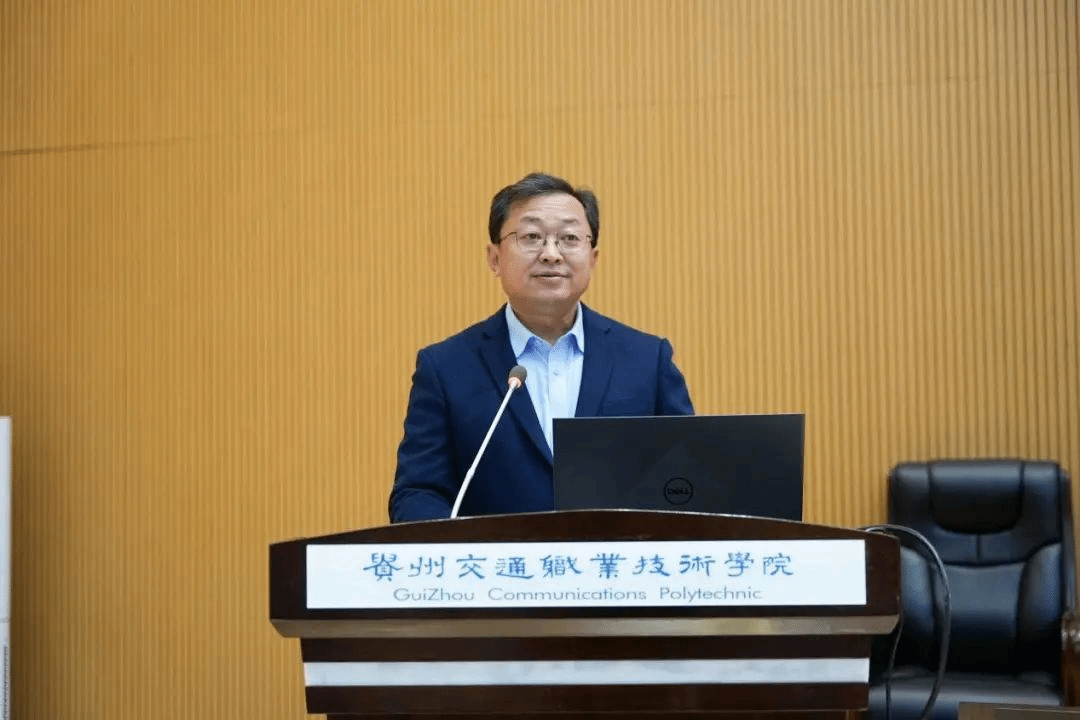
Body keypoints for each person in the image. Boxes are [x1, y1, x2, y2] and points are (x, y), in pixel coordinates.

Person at [388, 172, 694, 522]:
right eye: (531, 237)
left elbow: (688, 479)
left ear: (593, 258)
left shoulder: (647, 361)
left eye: (569, 238)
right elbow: (418, 492)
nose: (551, 254)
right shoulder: (445, 368)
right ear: (494, 258)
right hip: (496, 558)